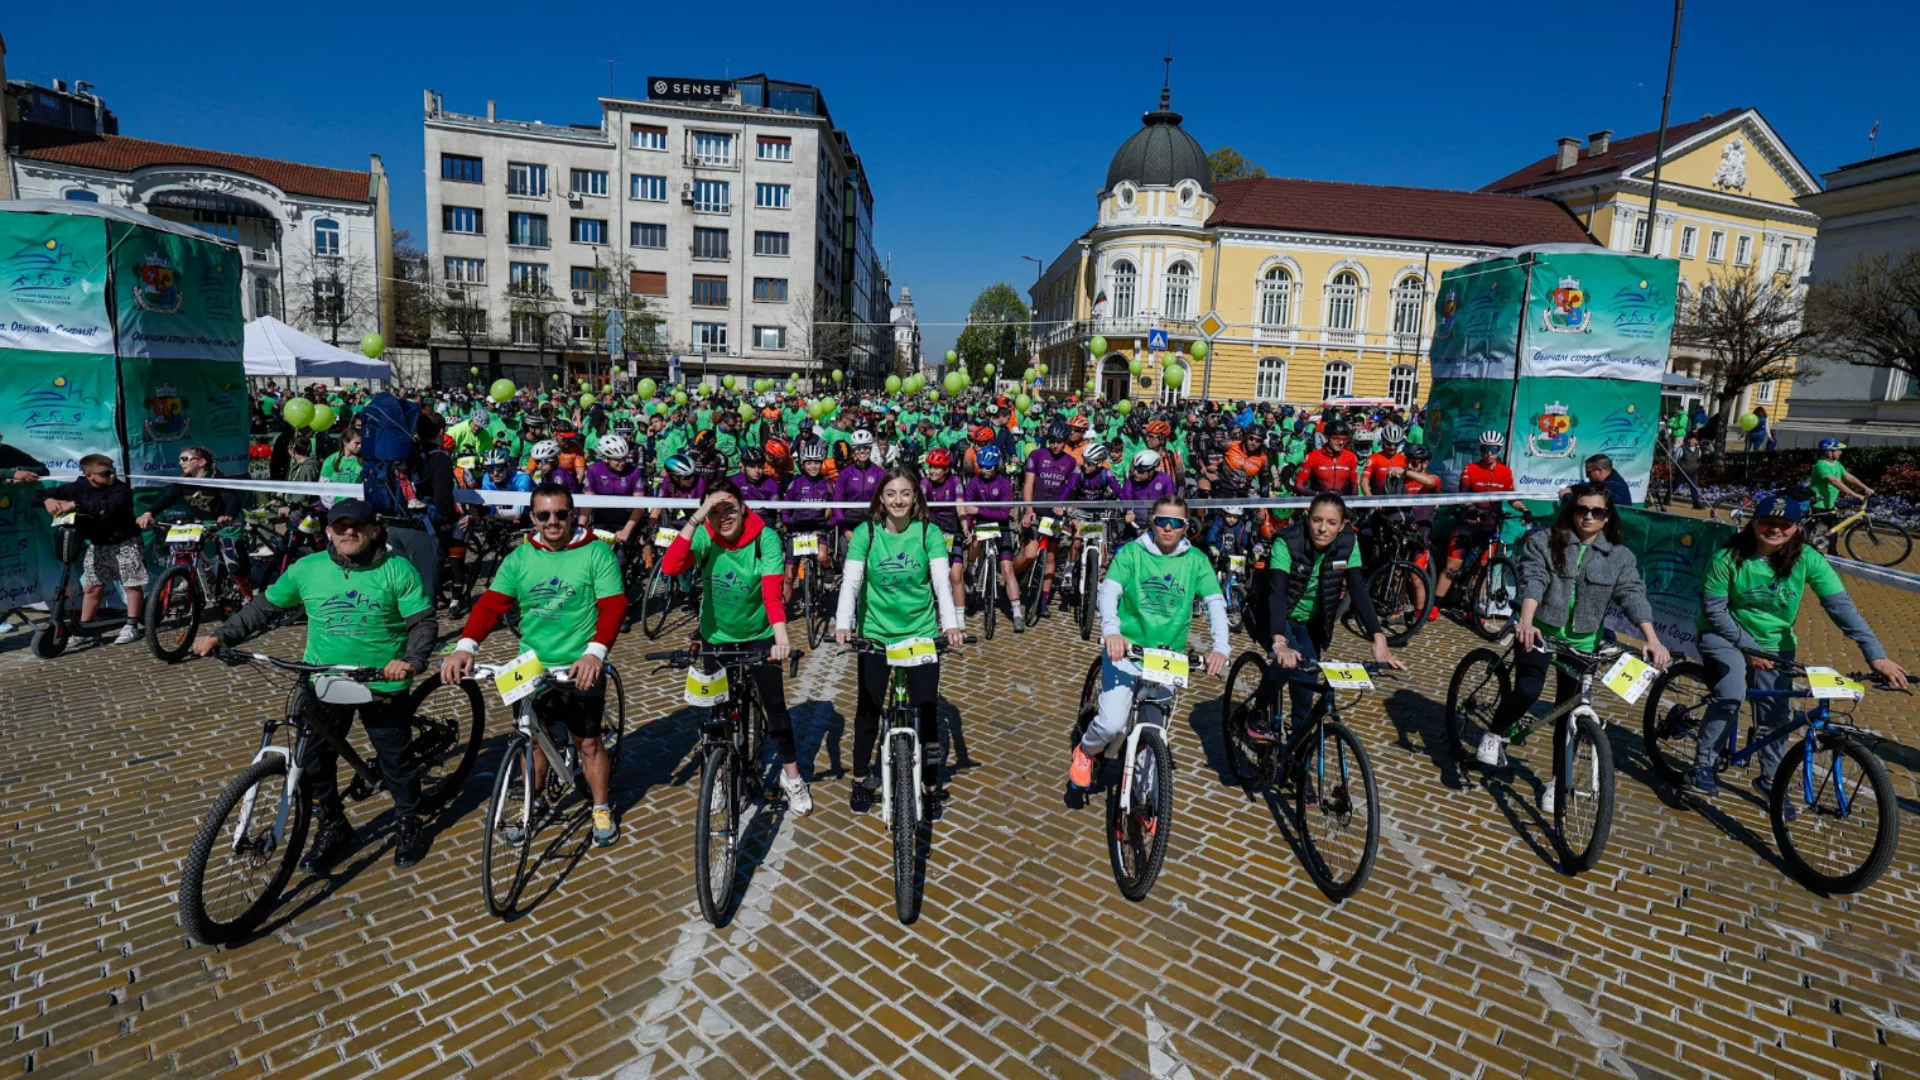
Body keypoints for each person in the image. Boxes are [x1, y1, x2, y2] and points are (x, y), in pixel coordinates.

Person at [192, 499, 438, 869]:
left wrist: (411, 660)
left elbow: (422, 622)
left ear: (374, 530)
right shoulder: (307, 569)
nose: (349, 532)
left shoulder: (397, 569)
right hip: (322, 677)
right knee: (314, 759)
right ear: (328, 533)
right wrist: (222, 636)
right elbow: (264, 609)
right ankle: (333, 824)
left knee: (395, 758)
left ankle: (409, 819)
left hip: (380, 680)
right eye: (340, 527)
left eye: (357, 526)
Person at [444, 483, 629, 845]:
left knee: (588, 744)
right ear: (533, 517)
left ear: (572, 515)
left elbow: (613, 606)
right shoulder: (520, 557)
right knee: (531, 740)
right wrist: (465, 646)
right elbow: (491, 604)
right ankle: (534, 801)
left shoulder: (596, 553)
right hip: (531, 664)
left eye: (560, 514)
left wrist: (595, 653)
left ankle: (601, 806)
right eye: (544, 515)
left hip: (579, 664)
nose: (552, 521)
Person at [1690, 490, 1908, 795]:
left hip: (1774, 643)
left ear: (1797, 527)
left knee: (1776, 713)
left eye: (1786, 524)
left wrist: (1875, 654)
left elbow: (1841, 607)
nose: (1776, 529)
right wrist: (1750, 649)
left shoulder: (1807, 558)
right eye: (1768, 521)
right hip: (1724, 634)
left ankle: (1771, 780)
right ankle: (1703, 763)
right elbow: (1714, 612)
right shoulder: (1726, 558)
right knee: (1731, 694)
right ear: (1754, 522)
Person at [1477, 485, 1672, 805]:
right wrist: (1526, 621)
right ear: (1571, 511)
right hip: (1540, 632)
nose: (1589, 517)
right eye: (1582, 509)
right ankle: (1494, 732)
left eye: (1597, 511)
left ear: (1608, 516)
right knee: (1528, 689)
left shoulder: (1619, 557)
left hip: (1583, 643)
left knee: (1568, 714)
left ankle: (1558, 781)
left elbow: (1632, 595)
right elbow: (1534, 580)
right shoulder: (1544, 541)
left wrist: (1652, 639)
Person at [657, 480, 811, 814]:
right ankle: (718, 775)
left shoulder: (765, 538)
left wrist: (782, 638)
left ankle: (792, 776)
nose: (723, 517)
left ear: (743, 506)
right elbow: (670, 567)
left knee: (775, 707)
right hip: (717, 636)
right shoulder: (703, 534)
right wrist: (697, 518)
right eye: (714, 511)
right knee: (716, 712)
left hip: (759, 633)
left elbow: (772, 592)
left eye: (729, 508)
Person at [1070, 495, 1229, 790]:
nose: (1168, 528)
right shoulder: (1132, 552)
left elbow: (1215, 603)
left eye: (1176, 523)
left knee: (1153, 731)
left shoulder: (1196, 561)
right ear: (1152, 522)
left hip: (1166, 660)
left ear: (1186, 527)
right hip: (1126, 651)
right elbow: (1109, 591)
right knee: (1112, 724)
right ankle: (1086, 751)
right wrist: (1112, 631)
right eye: (1161, 521)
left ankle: (1143, 800)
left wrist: (1220, 647)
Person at [834, 467, 966, 809]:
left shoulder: (929, 532)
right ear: (881, 497)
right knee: (868, 709)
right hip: (877, 633)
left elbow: (942, 582)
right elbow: (851, 581)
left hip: (920, 631)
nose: (898, 500)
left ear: (915, 497)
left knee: (928, 710)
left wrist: (950, 625)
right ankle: (860, 779)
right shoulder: (866, 533)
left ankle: (931, 785)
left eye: (905, 493)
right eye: (891, 493)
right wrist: (844, 623)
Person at [1246, 493, 1404, 742]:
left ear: (1342, 525)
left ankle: (1298, 750)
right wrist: (1279, 642)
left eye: (1331, 522)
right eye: (1317, 520)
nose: (1323, 528)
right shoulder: (1287, 541)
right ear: (1307, 518)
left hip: (1311, 619)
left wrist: (1378, 637)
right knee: (1286, 664)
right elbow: (1277, 594)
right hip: (1273, 615)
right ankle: (1257, 711)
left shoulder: (1348, 543)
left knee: (1307, 679)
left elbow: (1358, 591)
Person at [41, 454, 146, 644]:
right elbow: (40, 495)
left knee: (131, 584)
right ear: (89, 475)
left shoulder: (120, 488)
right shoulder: (77, 487)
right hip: (97, 544)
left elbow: (111, 505)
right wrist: (48, 500)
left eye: (113, 471)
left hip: (125, 542)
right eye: (106, 473)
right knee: (92, 587)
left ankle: (132, 625)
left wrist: (75, 504)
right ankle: (86, 629)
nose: (111, 476)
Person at [1431, 431, 1522, 616]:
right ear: (1480, 450)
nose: (1489, 454)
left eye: (1493, 450)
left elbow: (1512, 498)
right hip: (1468, 524)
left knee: (1483, 569)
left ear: (1499, 450)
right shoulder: (1470, 468)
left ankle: (1473, 610)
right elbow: (1464, 494)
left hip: (1490, 526)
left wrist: (1525, 510)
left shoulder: (1505, 472)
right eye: (1485, 449)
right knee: (1451, 567)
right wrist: (1469, 507)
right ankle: (1434, 606)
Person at [1018, 421, 1081, 618]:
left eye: (1059, 442)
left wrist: (1066, 508)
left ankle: (1044, 600)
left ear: (1065, 442)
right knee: (1029, 554)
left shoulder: (1070, 462)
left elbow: (1069, 489)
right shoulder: (1036, 456)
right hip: (1036, 511)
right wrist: (1028, 510)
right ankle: (1012, 575)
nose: (1055, 445)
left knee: (1051, 556)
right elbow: (1028, 484)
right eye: (1052, 441)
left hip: (1054, 515)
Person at [959, 444, 1024, 630]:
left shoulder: (1004, 484)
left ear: (996, 466)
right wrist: (968, 526)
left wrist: (979, 510)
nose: (985, 470)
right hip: (981, 525)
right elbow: (968, 509)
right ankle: (971, 568)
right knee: (975, 541)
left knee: (1007, 569)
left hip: (1000, 527)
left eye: (989, 467)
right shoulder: (973, 483)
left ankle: (1017, 612)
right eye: (981, 466)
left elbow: (1004, 514)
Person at [921, 448, 967, 602]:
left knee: (956, 575)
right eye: (930, 467)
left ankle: (959, 614)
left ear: (946, 470)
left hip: (953, 528)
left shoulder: (955, 480)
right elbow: (921, 507)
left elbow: (960, 506)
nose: (931, 471)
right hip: (933, 529)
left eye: (936, 468)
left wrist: (965, 527)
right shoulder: (925, 482)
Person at [1808, 438, 1871, 522]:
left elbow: (1848, 477)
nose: (1841, 452)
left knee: (1834, 529)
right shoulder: (1821, 465)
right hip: (1817, 505)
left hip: (1829, 505)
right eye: (1838, 450)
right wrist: (1854, 494)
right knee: (1809, 529)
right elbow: (1834, 482)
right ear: (1829, 452)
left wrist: (1866, 488)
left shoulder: (1836, 464)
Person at [1293, 419, 1359, 495]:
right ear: (1327, 437)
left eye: (1344, 439)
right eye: (1337, 438)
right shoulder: (1312, 457)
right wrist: (1318, 494)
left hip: (1343, 501)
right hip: (1320, 501)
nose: (1341, 442)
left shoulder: (1351, 457)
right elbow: (1298, 485)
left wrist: (1352, 501)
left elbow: (1354, 485)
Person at [1559, 453, 1632, 508]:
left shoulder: (1613, 486)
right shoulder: (1612, 479)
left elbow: (1585, 505)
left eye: (1589, 472)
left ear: (1599, 471)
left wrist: (1566, 496)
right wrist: (1572, 488)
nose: (1587, 476)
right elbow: (1588, 486)